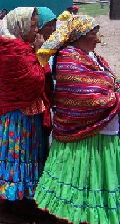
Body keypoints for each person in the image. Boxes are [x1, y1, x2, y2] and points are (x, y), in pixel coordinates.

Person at [34, 15, 120, 224]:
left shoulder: (94, 57)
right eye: (93, 34)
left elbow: (108, 81)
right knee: (78, 177)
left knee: (95, 179)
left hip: (102, 130)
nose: (97, 39)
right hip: (80, 132)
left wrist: (113, 89)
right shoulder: (68, 58)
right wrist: (114, 95)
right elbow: (84, 95)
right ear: (78, 36)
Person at [0, 7, 52, 223]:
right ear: (21, 26)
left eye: (37, 25)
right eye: (33, 25)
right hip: (16, 117)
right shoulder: (13, 50)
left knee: (23, 159)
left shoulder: (18, 48)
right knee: (13, 159)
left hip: (24, 114)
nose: (36, 30)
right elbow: (36, 81)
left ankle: (17, 203)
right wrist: (41, 55)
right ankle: (0, 208)